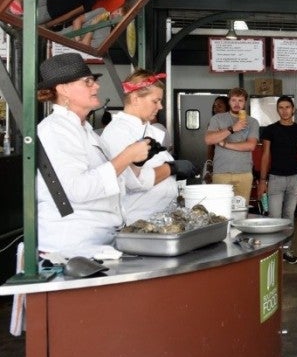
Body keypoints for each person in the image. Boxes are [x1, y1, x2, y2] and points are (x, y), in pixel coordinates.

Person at [35, 53, 151, 259]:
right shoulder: (55, 129)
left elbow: (113, 179)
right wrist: (126, 156)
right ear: (63, 90)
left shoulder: (86, 130)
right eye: (87, 82)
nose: (96, 87)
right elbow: (77, 189)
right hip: (72, 247)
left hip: (97, 241)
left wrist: (135, 162)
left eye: (94, 81)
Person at [101, 70, 195, 223]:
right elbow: (132, 181)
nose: (161, 106)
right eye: (155, 101)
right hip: (138, 220)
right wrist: (171, 168)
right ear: (135, 98)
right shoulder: (118, 132)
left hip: (159, 218)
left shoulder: (148, 129)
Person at [258, 96, 297, 265]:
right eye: (281, 107)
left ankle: (286, 251)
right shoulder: (270, 130)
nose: (285, 110)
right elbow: (265, 156)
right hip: (275, 178)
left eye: (288, 107)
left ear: (293, 109)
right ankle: (273, 252)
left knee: (288, 216)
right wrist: (262, 180)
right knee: (274, 216)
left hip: (294, 178)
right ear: (277, 110)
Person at [205, 88, 260, 201]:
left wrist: (225, 144)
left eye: (240, 100)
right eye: (234, 100)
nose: (237, 103)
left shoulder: (252, 122)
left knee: (241, 210)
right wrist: (232, 129)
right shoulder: (217, 118)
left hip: (244, 172)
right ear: (229, 101)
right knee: (221, 212)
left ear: (245, 102)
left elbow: (250, 146)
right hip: (221, 172)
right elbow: (209, 139)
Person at [204, 96, 230, 182]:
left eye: (219, 106)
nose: (216, 109)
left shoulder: (236, 123)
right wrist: (208, 168)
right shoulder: (212, 124)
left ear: (227, 107)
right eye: (214, 106)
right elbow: (211, 148)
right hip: (218, 165)